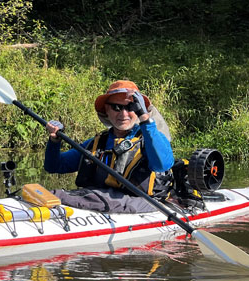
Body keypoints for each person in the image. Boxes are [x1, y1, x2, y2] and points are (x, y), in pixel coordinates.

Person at [44, 80, 174, 213]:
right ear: (106, 110)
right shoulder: (97, 143)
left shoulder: (151, 138)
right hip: (102, 201)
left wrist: (145, 119)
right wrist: (54, 142)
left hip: (142, 204)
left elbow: (162, 164)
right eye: (116, 107)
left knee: (62, 195)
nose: (123, 114)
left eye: (131, 107)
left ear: (139, 110)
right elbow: (54, 166)